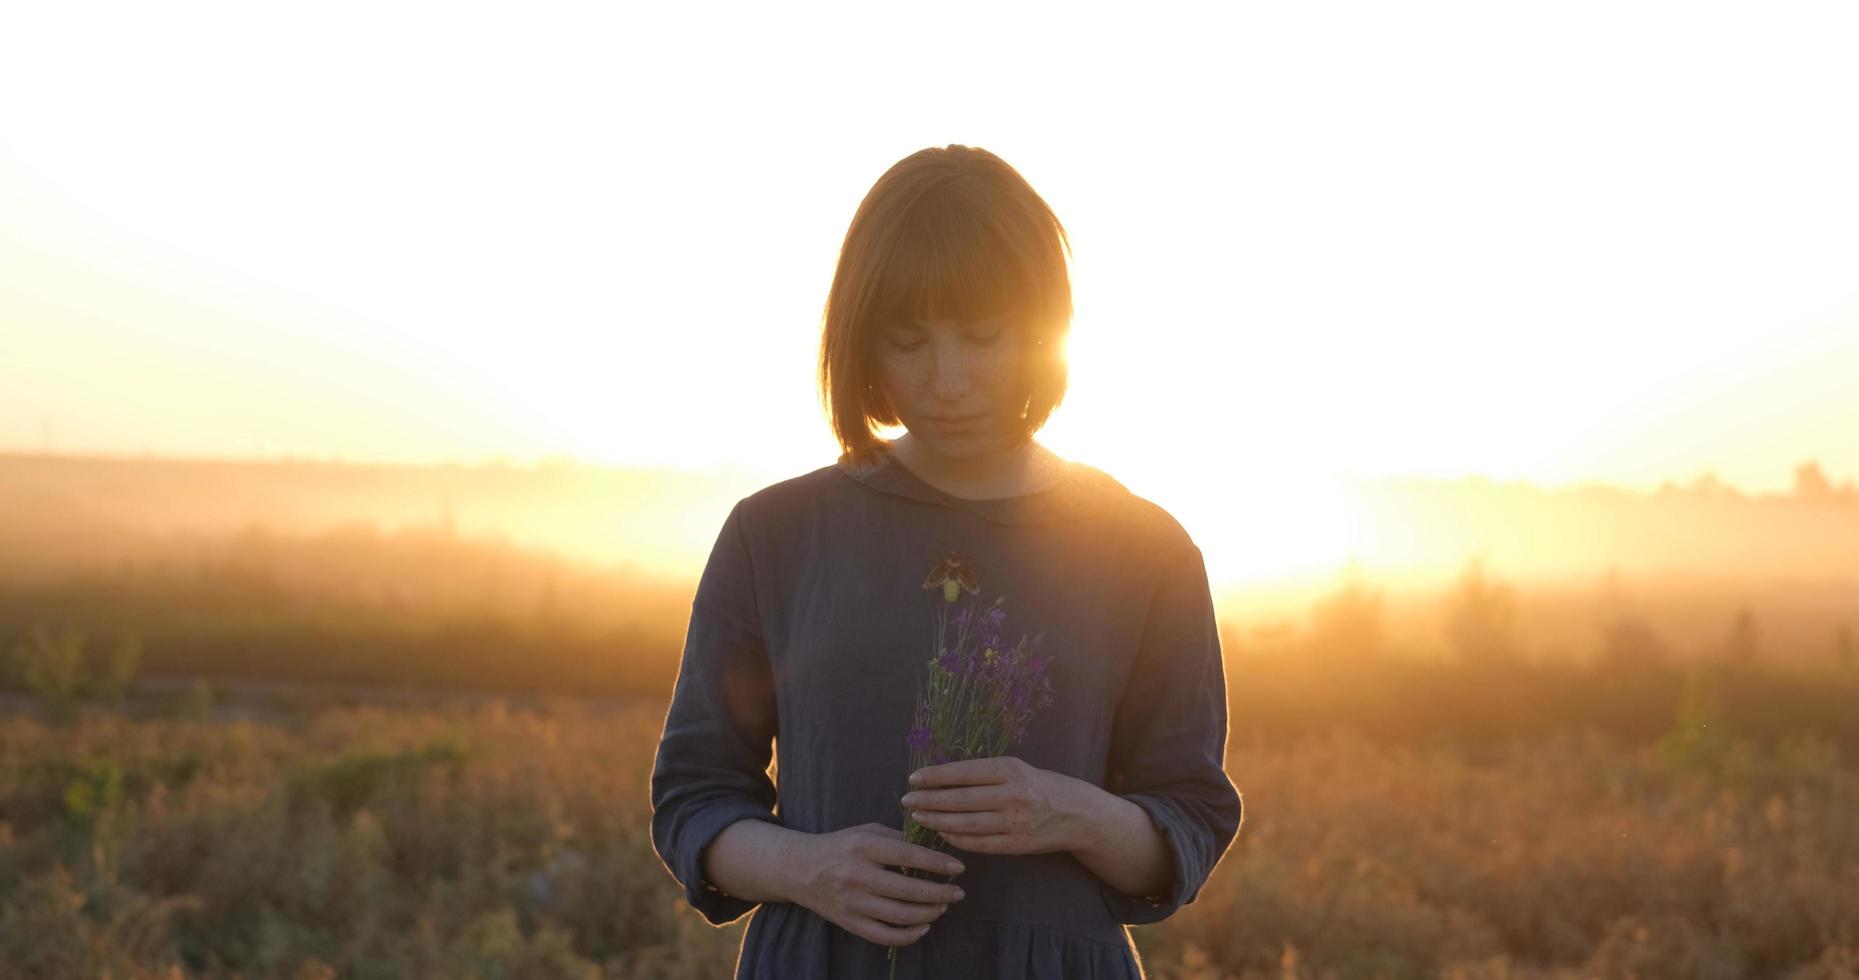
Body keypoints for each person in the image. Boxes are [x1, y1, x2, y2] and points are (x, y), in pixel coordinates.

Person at [649, 144, 1243, 979]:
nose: (948, 379)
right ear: (858, 344)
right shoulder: (775, 534)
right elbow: (694, 798)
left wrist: (1070, 811)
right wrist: (806, 867)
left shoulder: (1144, 550)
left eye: (984, 336)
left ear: (1046, 333)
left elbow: (1186, 825)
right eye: (907, 340)